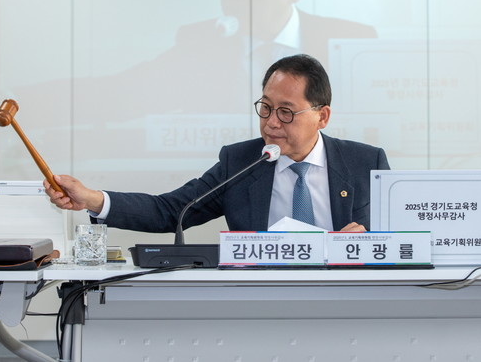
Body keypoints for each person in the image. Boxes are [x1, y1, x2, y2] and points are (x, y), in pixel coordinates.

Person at [45, 54, 390, 232]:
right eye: (266, 107)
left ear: (322, 116)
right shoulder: (241, 162)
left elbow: (402, 232)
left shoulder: (365, 163)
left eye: (286, 112)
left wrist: (370, 240)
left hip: (348, 298)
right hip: (261, 302)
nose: (271, 122)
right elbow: (171, 211)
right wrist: (92, 198)